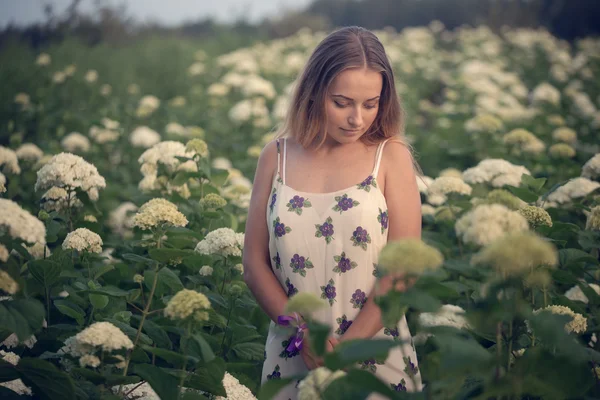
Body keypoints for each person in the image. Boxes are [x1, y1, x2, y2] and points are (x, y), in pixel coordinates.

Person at [242, 25, 424, 399]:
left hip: (374, 356)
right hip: (292, 357)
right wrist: (303, 335)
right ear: (313, 93)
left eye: (370, 104)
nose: (357, 118)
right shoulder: (276, 157)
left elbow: (404, 268)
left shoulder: (390, 157)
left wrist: (347, 349)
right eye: (342, 102)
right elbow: (253, 264)